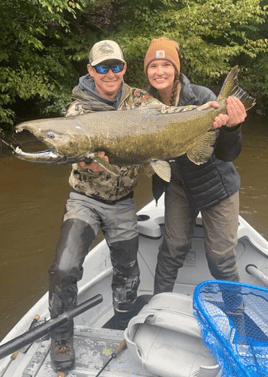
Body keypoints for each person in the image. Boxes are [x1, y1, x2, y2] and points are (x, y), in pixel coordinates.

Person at [48, 39, 228, 372]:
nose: (110, 73)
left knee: (128, 271)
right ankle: (61, 335)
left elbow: (167, 116)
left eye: (115, 66)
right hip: (84, 200)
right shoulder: (77, 110)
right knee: (63, 268)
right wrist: (86, 163)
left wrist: (204, 114)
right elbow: (66, 151)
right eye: (102, 67)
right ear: (91, 70)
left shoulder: (139, 100)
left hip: (123, 202)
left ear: (124, 68)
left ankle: (123, 319)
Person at [143, 37, 247, 296]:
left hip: (217, 186)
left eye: (166, 64)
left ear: (176, 68)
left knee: (220, 258)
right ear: (146, 71)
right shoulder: (143, 104)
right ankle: (157, 305)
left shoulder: (202, 97)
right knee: (171, 250)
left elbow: (227, 153)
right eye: (153, 66)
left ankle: (236, 312)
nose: (160, 72)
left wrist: (232, 126)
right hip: (178, 187)